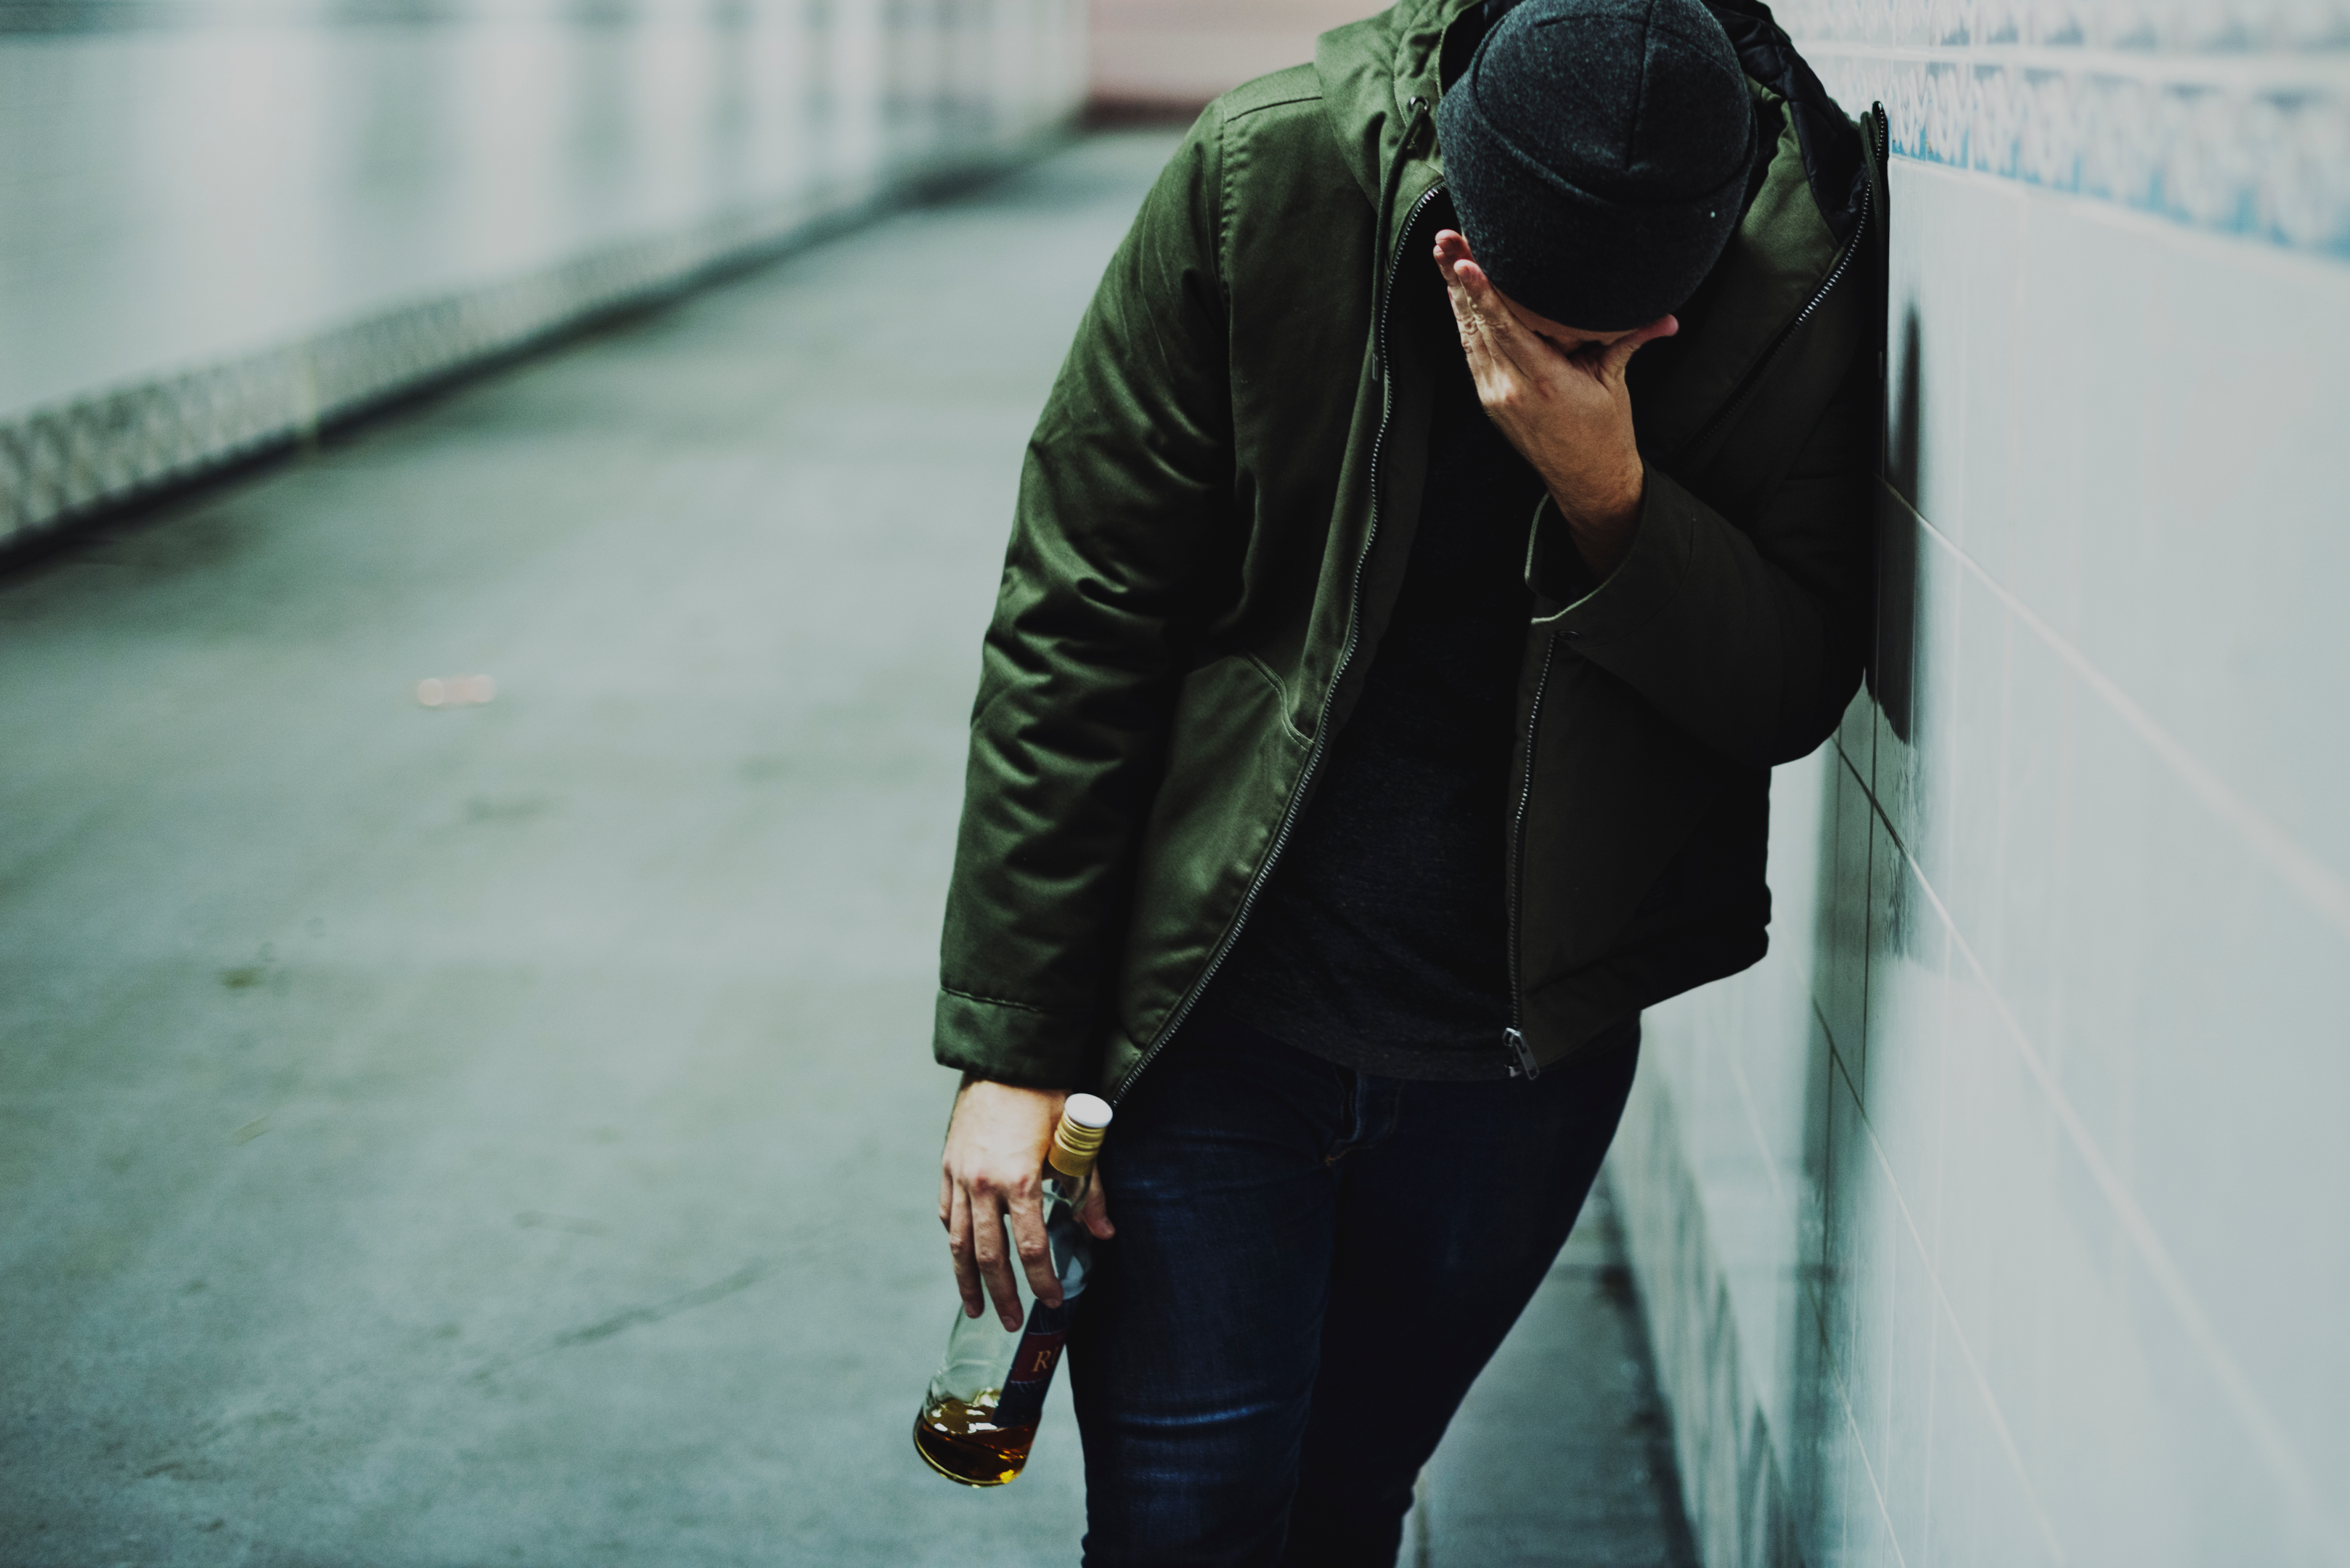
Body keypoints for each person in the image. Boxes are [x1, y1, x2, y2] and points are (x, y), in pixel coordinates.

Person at [934, 0, 1882, 1559]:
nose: (1562, 365)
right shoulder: (1269, 177)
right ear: (1456, 227)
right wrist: (1014, 1047)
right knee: (1187, 1524)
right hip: (1208, 1019)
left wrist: (1611, 492)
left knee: (1340, 1509)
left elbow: (1782, 685)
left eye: (1613, 345)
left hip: (1511, 1066)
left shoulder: (1800, 259)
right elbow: (1078, 615)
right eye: (1534, 320)